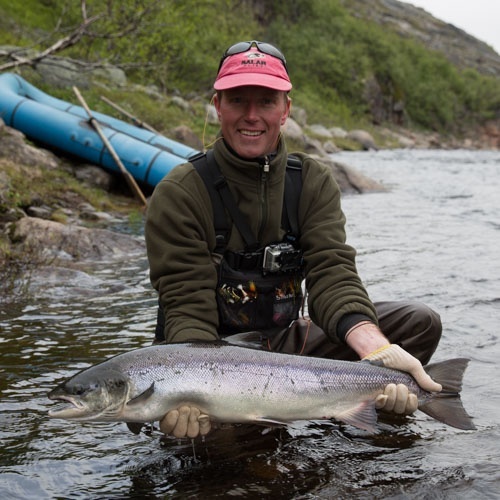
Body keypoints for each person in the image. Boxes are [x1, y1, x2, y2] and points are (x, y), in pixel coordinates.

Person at [145, 40, 442, 439]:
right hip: (211, 356)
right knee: (234, 456)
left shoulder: (312, 181)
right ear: (218, 105)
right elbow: (184, 302)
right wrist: (190, 394)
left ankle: (369, 414)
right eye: (238, 100)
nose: (252, 116)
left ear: (285, 110)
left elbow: (332, 272)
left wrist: (376, 351)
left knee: (418, 323)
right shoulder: (181, 192)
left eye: (266, 102)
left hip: (286, 342)